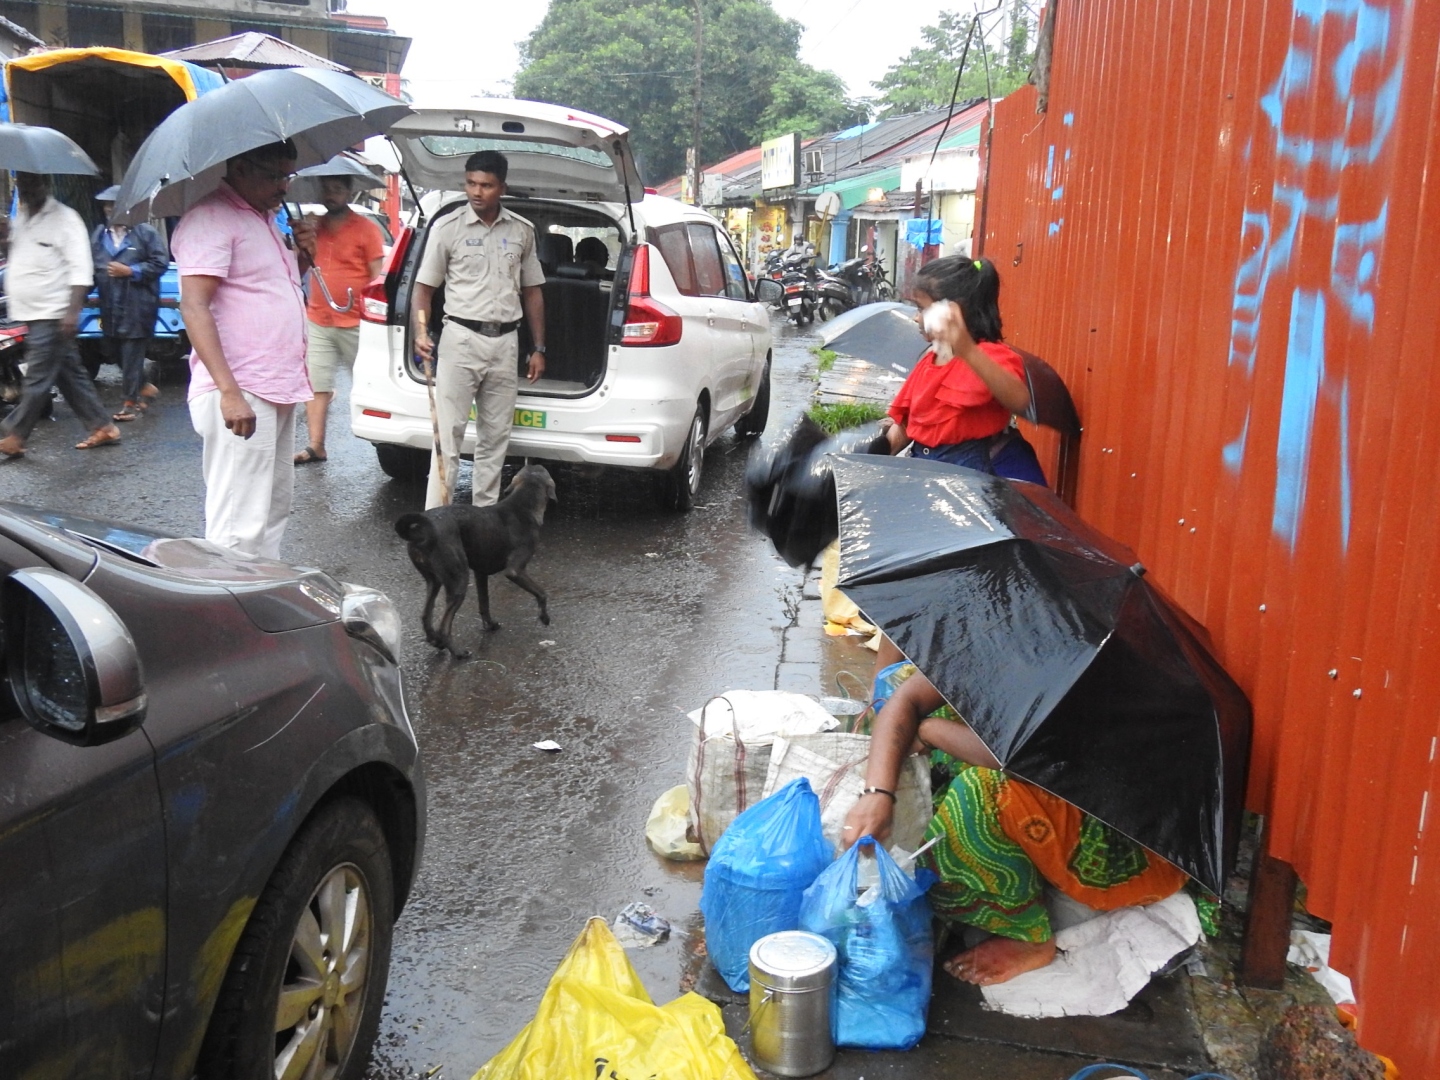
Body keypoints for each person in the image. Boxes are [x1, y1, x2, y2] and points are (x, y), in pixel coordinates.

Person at [842, 662, 1188, 986]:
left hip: (1122, 834)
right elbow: (910, 697)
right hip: (1046, 777)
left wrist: (932, 731)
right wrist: (878, 792)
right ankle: (1016, 860)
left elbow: (1034, 761)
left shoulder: (1088, 666)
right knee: (905, 688)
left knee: (979, 793)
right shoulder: (1008, 630)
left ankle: (1029, 936)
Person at [172, 140, 316, 559]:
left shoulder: (266, 220)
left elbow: (269, 290)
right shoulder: (211, 218)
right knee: (238, 521)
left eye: (287, 176)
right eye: (273, 176)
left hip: (277, 383)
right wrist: (229, 393)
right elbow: (194, 305)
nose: (283, 187)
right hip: (241, 387)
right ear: (239, 166)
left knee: (271, 508)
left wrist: (305, 258)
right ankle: (226, 612)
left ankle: (260, 599)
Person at [412, 149, 546, 509]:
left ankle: (484, 523)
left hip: (506, 343)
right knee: (448, 439)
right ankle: (436, 520)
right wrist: (421, 334)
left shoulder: (522, 231)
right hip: (460, 339)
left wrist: (539, 347)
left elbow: (533, 292)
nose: (476, 191)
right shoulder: (448, 228)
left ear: (501, 187)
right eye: (471, 183)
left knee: (494, 441)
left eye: (486, 185)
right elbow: (423, 290)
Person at [884, 256, 1047, 485]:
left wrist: (966, 349)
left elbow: (1019, 400)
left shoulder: (990, 356)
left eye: (922, 309)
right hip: (922, 472)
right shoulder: (929, 361)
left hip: (967, 481)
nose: (916, 317)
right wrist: (873, 453)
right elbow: (906, 426)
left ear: (952, 311)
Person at [0, 172, 122, 458]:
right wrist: (5, 238)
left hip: (53, 312)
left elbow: (81, 268)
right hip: (28, 311)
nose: (26, 189)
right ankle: (102, 426)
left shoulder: (66, 219)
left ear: (46, 184)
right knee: (70, 374)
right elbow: (20, 258)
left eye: (32, 183)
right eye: (21, 184)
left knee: (38, 376)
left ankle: (15, 434)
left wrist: (72, 311)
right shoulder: (22, 217)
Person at [294, 175, 384, 464]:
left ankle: (389, 443)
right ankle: (315, 445)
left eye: (337, 189)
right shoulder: (313, 228)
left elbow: (376, 275)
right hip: (319, 318)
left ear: (349, 192)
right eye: (327, 189)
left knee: (371, 383)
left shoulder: (366, 229)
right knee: (316, 384)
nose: (331, 195)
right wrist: (301, 240)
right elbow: (298, 267)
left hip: (356, 321)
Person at [91, 185, 168, 422]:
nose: (109, 210)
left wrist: (131, 270)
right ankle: (144, 386)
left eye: (114, 206)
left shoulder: (145, 233)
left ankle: (130, 403)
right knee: (111, 350)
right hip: (110, 305)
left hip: (138, 305)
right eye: (106, 206)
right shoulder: (98, 235)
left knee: (132, 355)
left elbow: (160, 263)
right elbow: (90, 266)